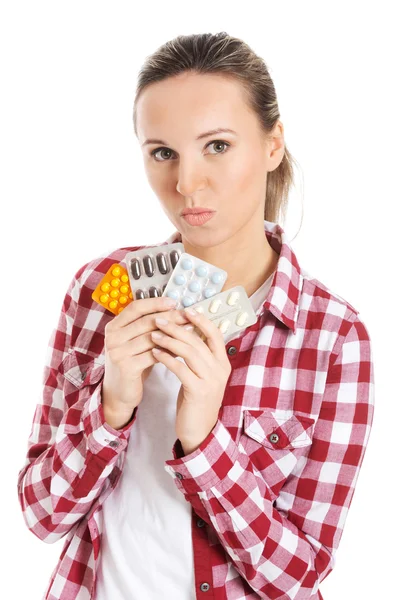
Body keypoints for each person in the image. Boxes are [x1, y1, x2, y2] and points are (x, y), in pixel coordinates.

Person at [17, 32, 375, 600]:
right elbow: (41, 515)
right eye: (163, 152)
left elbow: (298, 577)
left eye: (217, 146)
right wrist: (110, 408)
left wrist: (205, 443)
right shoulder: (97, 290)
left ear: (273, 144)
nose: (187, 184)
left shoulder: (333, 338)